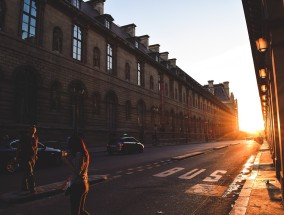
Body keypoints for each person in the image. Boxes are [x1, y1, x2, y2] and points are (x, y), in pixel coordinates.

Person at [63, 133, 90, 215]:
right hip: (83, 184)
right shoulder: (83, 153)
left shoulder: (79, 154)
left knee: (75, 212)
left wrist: (66, 161)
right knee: (81, 211)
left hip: (77, 186)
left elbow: (78, 172)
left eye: (69, 143)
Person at [16, 125, 38, 193]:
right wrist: (17, 157)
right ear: (29, 130)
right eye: (32, 129)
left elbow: (36, 147)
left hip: (32, 158)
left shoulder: (35, 138)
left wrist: (36, 155)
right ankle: (32, 189)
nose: (33, 130)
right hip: (25, 157)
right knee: (30, 173)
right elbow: (18, 148)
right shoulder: (24, 138)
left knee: (26, 173)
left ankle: (23, 187)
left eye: (34, 129)